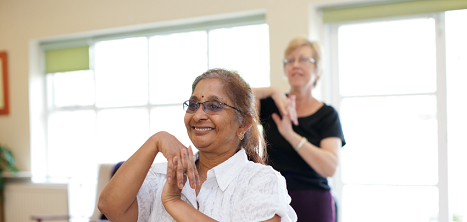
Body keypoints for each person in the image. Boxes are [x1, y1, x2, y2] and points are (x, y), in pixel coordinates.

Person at [98, 68, 297, 222]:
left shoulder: (261, 181)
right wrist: (155, 141)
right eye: (193, 105)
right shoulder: (165, 175)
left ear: (243, 123)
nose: (198, 115)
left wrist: (175, 203)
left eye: (214, 106)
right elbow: (110, 207)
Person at [253, 36, 346, 222]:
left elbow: (329, 167)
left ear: (317, 69)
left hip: (313, 200)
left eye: (303, 60)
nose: (295, 65)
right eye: (290, 60)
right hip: (272, 197)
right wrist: (272, 91)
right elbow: (234, 98)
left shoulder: (327, 115)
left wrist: (290, 134)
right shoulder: (271, 105)